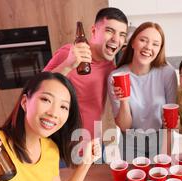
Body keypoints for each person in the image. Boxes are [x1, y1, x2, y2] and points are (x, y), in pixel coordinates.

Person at [43, 7, 128, 140]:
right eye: (109, 31)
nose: (116, 39)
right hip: (63, 145)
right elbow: (35, 89)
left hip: (94, 143)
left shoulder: (111, 67)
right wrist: (67, 64)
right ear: (94, 31)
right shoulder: (69, 53)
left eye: (122, 35)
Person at [108, 21, 177, 160]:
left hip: (160, 138)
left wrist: (166, 154)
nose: (148, 47)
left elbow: (170, 122)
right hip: (130, 140)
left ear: (160, 49)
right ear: (133, 42)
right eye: (143, 40)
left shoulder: (167, 73)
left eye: (155, 44)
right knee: (133, 180)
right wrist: (124, 101)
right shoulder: (116, 77)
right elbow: (124, 127)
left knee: (159, 178)